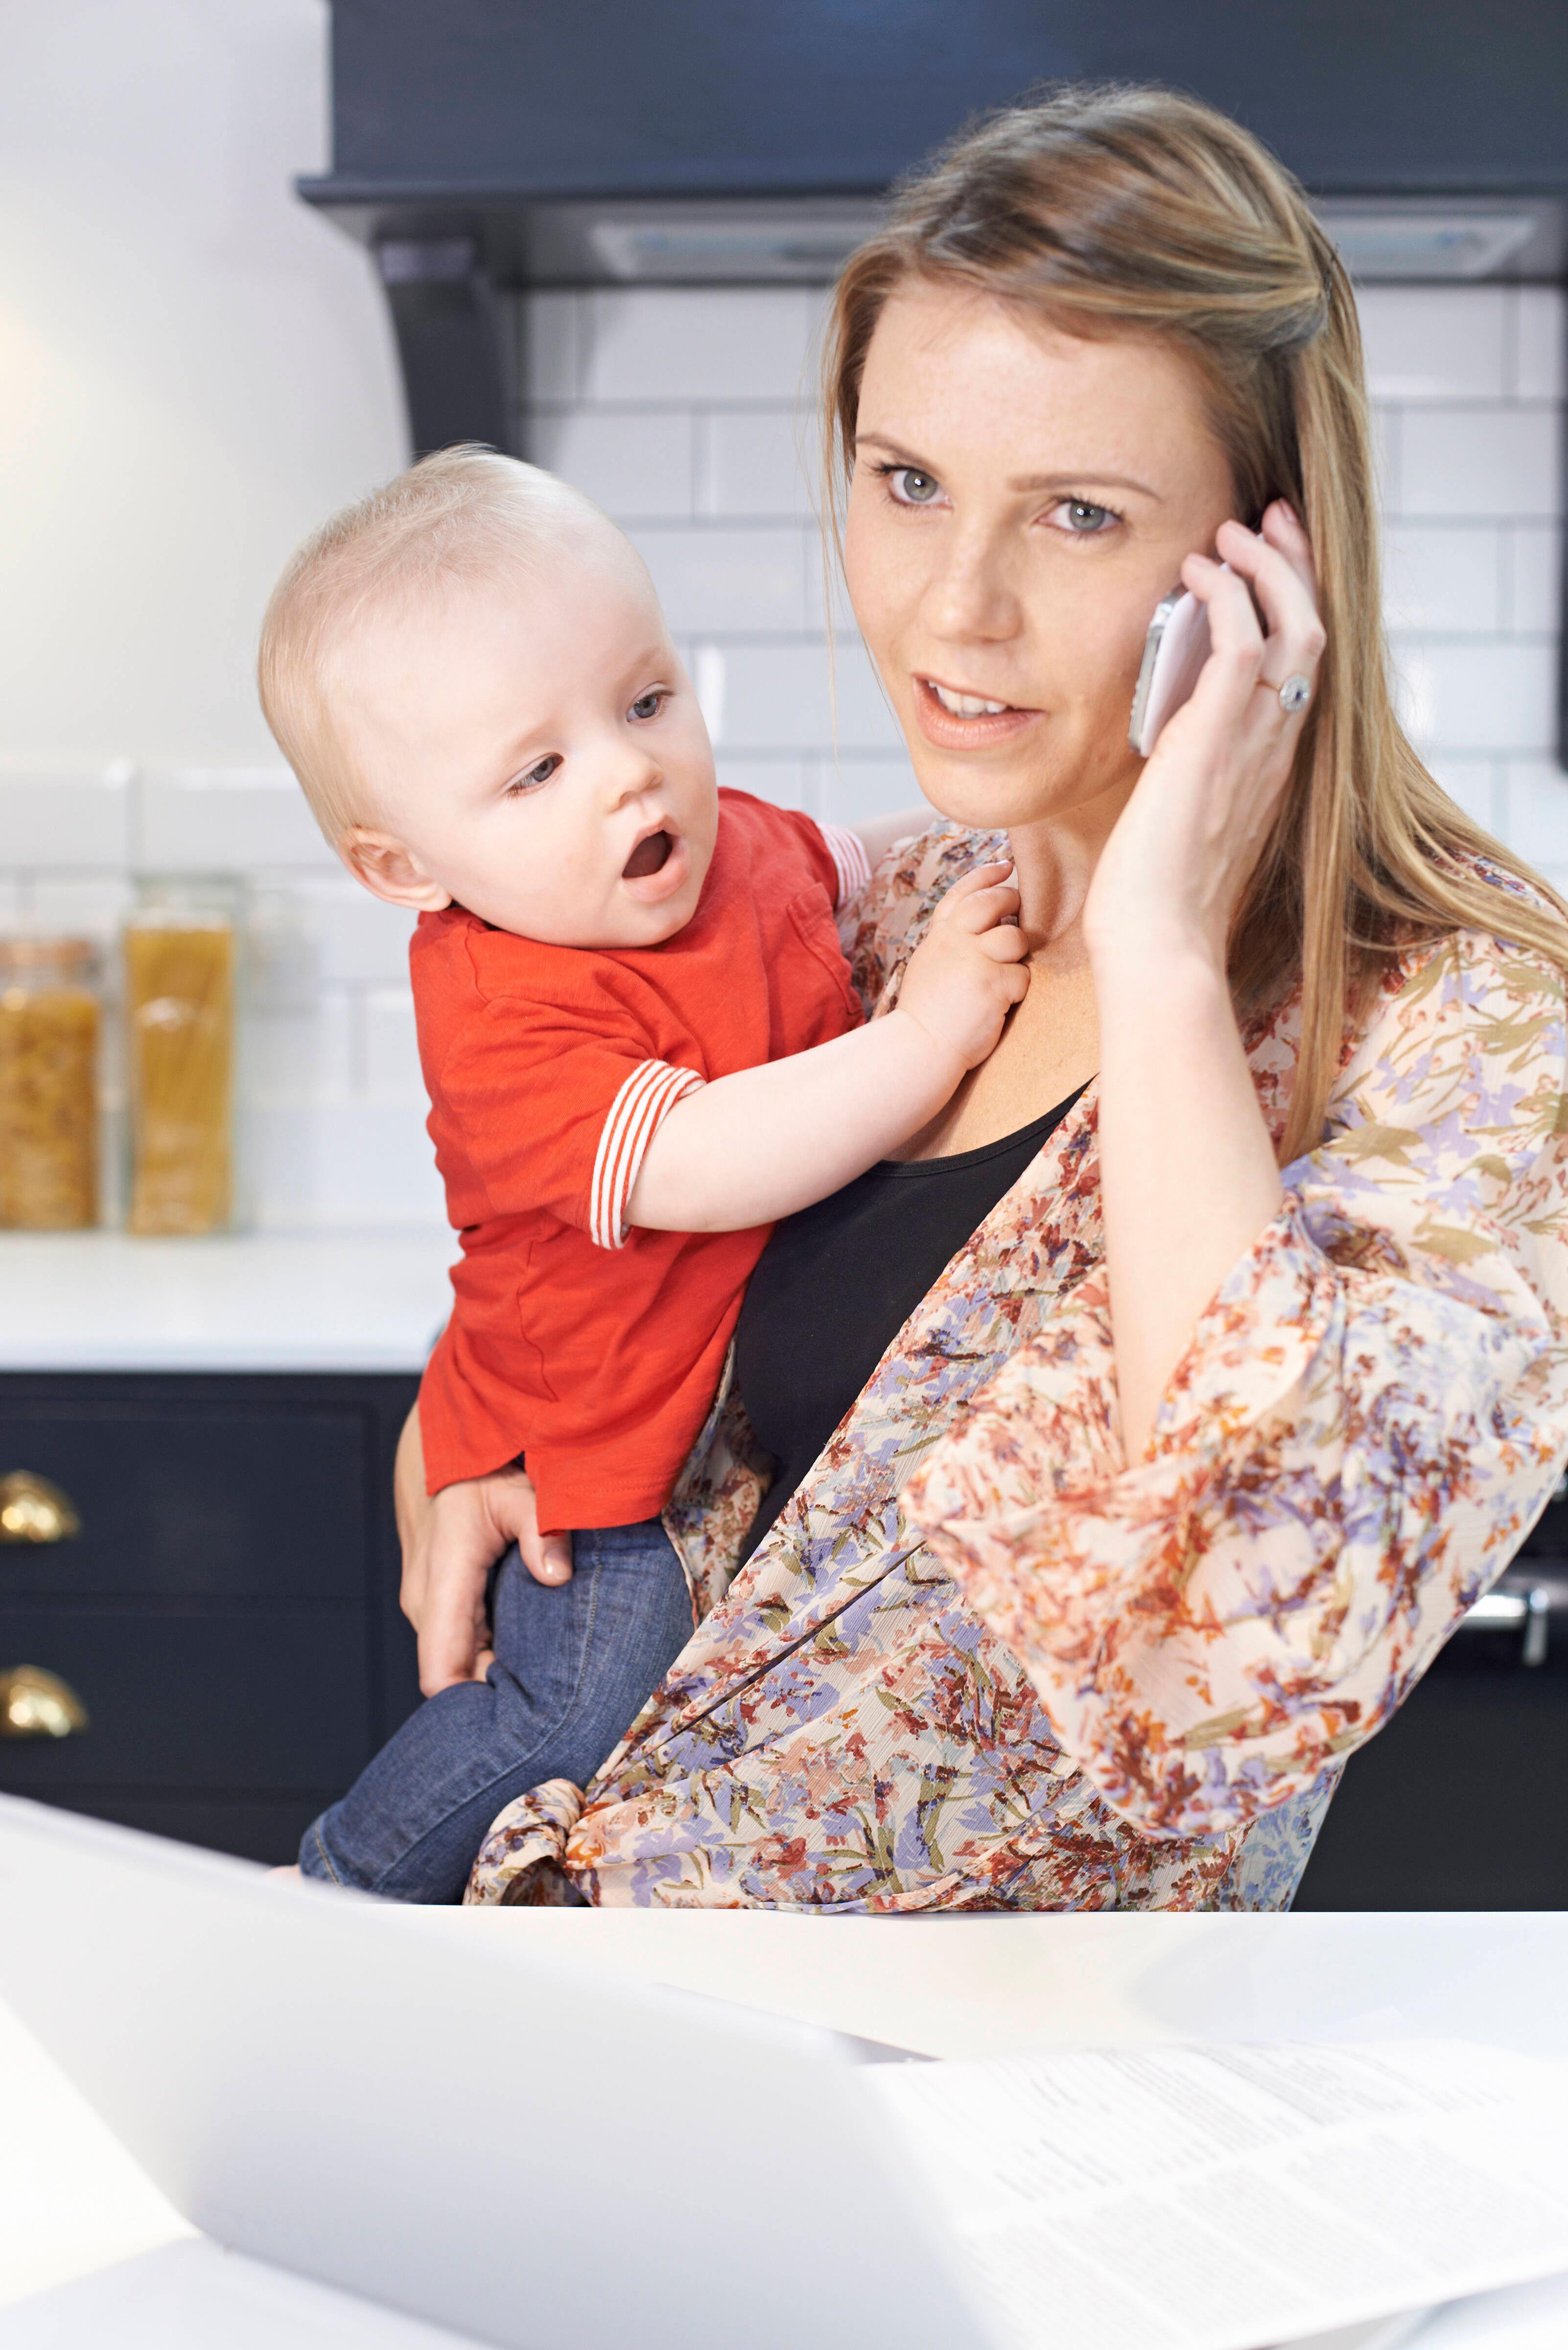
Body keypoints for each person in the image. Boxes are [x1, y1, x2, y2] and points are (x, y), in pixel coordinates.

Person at [405, 84, 1568, 1913]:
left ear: (1264, 568)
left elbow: (1267, 1623)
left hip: (1007, 2127)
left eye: (1079, 517)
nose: (955, 610)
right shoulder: (867, 908)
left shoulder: (1473, 1030)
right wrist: (464, 1418)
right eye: (908, 482)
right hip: (597, 2045)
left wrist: (1172, 961)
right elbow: (576, 1223)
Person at [256, 453, 1028, 1899]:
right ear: (404, 865)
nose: (629, 771)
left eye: (647, 700)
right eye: (538, 770)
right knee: (576, 1711)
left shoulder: (713, 849)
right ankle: (338, 1883)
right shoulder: (504, 1018)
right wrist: (929, 1032)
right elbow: (705, 1162)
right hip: (590, 1460)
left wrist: (1003, 836)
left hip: (695, 1438)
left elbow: (842, 865)